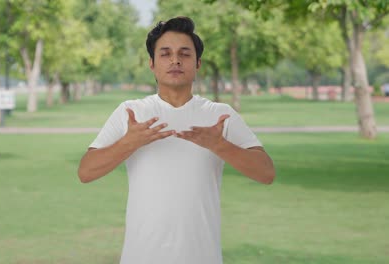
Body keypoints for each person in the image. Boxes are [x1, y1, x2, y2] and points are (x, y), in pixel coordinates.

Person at [78, 16, 275, 264]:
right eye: (165, 53)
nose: (175, 60)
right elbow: (86, 172)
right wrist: (130, 142)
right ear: (151, 64)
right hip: (142, 256)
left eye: (184, 53)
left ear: (197, 63)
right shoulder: (131, 112)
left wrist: (219, 145)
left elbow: (266, 173)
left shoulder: (219, 115)